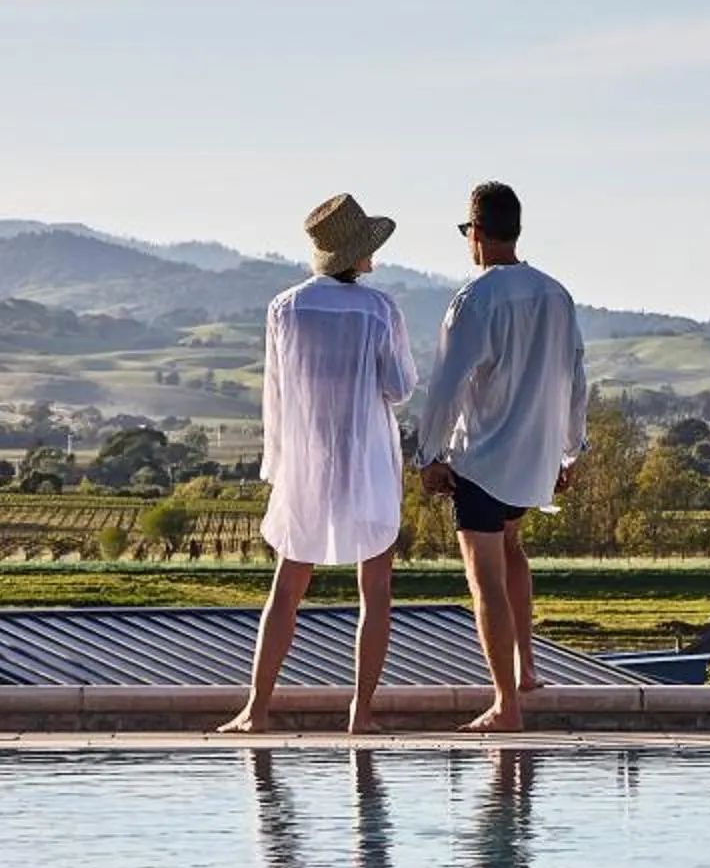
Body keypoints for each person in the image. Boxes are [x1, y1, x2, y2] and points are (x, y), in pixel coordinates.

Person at [220, 192, 417, 737]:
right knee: (375, 590)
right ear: (357, 255)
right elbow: (399, 389)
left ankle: (256, 710)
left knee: (287, 586)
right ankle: (361, 714)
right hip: (367, 458)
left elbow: (275, 396)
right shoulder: (380, 310)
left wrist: (277, 469)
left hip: (306, 461)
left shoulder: (285, 308)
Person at [416, 180, 587, 733]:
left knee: (483, 577)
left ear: (479, 233)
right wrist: (569, 450)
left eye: (469, 232)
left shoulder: (474, 299)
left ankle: (505, 703)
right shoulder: (557, 295)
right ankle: (527, 669)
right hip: (535, 456)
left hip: (484, 456)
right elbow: (575, 378)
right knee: (513, 550)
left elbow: (446, 384)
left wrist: (428, 454)